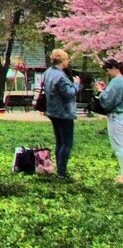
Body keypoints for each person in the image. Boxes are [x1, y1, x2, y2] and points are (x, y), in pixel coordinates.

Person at [42, 48, 79, 179]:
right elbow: (69, 94)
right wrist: (76, 84)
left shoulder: (48, 72)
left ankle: (59, 168)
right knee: (66, 143)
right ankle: (62, 171)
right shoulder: (61, 77)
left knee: (59, 141)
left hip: (52, 111)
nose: (68, 61)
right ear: (62, 60)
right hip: (64, 113)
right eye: (67, 59)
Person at [95, 58, 123, 184]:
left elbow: (107, 101)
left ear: (112, 69)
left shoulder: (116, 81)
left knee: (119, 145)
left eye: (108, 70)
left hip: (117, 116)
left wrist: (101, 91)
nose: (108, 73)